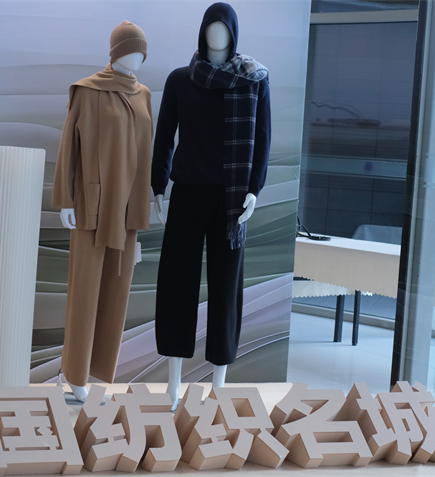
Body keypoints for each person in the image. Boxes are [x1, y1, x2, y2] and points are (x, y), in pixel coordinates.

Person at [151, 2, 271, 408]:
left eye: (224, 27)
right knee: (176, 286)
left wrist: (254, 189)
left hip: (231, 200)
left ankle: (219, 384)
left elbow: (263, 140)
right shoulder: (180, 79)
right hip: (186, 192)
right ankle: (173, 383)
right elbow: (165, 136)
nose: (216, 34)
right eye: (211, 26)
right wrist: (157, 185)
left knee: (225, 289)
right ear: (201, 31)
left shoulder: (254, 79)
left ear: (234, 33)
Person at [52, 21, 153, 402]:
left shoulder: (144, 95)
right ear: (116, 51)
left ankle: (95, 373)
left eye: (141, 51)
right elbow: (68, 148)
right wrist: (65, 199)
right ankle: (75, 373)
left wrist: (143, 205)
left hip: (126, 211)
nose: (138, 57)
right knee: (85, 292)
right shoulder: (87, 90)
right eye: (131, 49)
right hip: (90, 207)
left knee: (115, 292)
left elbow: (145, 155)